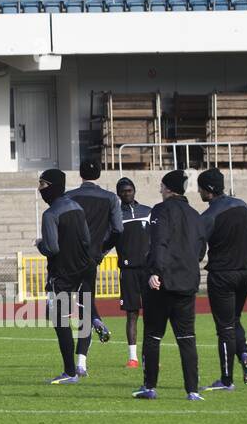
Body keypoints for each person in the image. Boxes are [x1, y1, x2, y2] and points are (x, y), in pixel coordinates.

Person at [134, 170, 208, 401]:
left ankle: (150, 386)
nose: (159, 190)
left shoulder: (161, 210)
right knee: (187, 338)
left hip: (163, 284)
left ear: (168, 189)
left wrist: (156, 271)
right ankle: (192, 390)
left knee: (153, 336)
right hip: (187, 283)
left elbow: (160, 242)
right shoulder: (196, 215)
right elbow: (201, 249)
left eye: (161, 186)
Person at [197, 168, 247, 391]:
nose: (199, 191)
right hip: (245, 272)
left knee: (224, 327)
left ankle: (226, 380)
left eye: (201, 188)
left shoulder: (208, 216)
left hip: (222, 275)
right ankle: (244, 355)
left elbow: (198, 248)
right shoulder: (242, 205)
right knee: (234, 319)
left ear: (209, 190)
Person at [64, 158, 123, 377]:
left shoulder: (69, 196)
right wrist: (101, 249)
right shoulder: (109, 198)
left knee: (62, 308)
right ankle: (81, 362)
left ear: (80, 174)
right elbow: (117, 230)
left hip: (68, 258)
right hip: (91, 258)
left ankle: (70, 365)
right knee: (85, 305)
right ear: (99, 174)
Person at [36, 169, 93, 385]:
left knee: (60, 321)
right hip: (83, 270)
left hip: (61, 274)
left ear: (52, 186)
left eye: (42, 185)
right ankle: (81, 362)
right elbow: (86, 239)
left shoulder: (50, 214)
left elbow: (51, 248)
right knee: (84, 316)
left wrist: (39, 243)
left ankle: (70, 371)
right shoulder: (77, 207)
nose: (39, 189)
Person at [112, 178, 152, 369]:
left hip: (148, 271)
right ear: (118, 194)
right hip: (128, 271)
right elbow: (108, 240)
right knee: (132, 314)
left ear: (134, 191)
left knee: (152, 313)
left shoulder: (148, 211)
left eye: (129, 190)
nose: (127, 194)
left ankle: (149, 356)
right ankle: (133, 358)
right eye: (123, 191)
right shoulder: (116, 215)